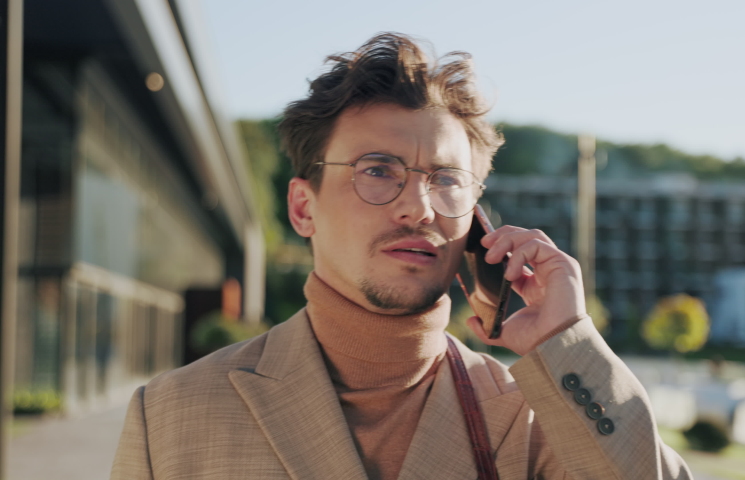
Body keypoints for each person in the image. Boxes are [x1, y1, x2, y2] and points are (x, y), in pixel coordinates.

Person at [111, 33, 693, 480]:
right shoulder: (170, 416)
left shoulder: (536, 416)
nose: (418, 207)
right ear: (302, 207)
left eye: (446, 180)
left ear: (476, 218)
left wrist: (567, 337)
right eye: (377, 170)